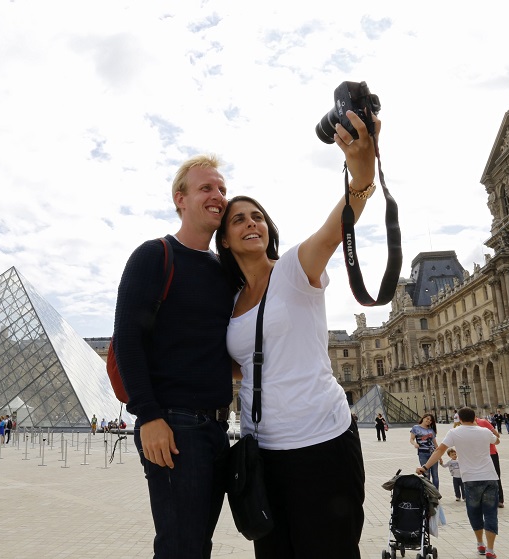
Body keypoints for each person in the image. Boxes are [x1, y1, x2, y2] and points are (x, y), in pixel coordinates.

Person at [215, 109, 378, 558]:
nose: (252, 223)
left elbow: (342, 219)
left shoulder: (293, 269)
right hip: (260, 452)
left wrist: (363, 165)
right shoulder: (229, 303)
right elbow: (240, 367)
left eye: (258, 217)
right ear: (224, 240)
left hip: (319, 442)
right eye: (239, 220)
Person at [114, 154, 235, 559]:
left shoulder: (224, 271)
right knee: (180, 548)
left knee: (198, 545)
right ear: (180, 199)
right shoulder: (154, 255)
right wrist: (148, 417)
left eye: (221, 189)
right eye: (206, 188)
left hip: (218, 430)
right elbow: (128, 340)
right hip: (174, 426)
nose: (218, 196)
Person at [417, 407, 501, 559]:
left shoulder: (454, 432)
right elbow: (497, 440)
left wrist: (425, 467)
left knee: (474, 512)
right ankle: (490, 549)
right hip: (490, 476)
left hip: (470, 479)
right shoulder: (484, 431)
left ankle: (480, 543)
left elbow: (439, 451)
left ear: (459, 419)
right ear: (475, 417)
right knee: (490, 513)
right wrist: (494, 432)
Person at [476, 416, 505, 508]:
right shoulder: (464, 426)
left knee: (496, 476)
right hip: (478, 455)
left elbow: (497, 435)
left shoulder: (483, 422)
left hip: (491, 452)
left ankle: (499, 499)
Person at [410, 413, 440, 488]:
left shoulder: (431, 430)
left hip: (433, 454)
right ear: (423, 418)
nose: (429, 421)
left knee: (435, 475)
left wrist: (439, 456)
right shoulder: (416, 428)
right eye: (427, 419)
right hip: (422, 453)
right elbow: (411, 439)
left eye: (430, 420)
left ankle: (435, 493)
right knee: (426, 474)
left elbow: (435, 444)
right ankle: (427, 493)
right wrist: (414, 443)